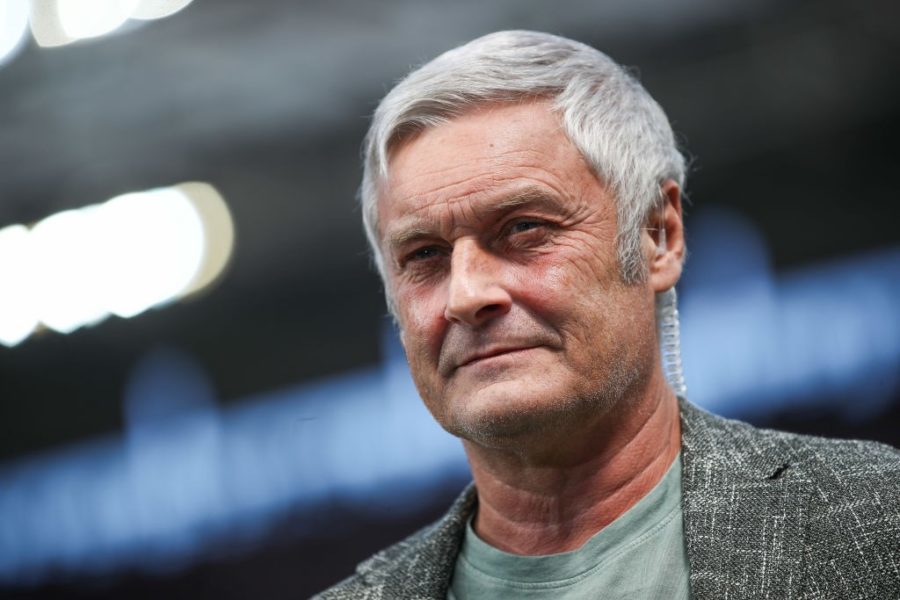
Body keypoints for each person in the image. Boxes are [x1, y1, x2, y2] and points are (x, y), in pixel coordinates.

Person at [317, 30, 899, 599]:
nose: (466, 294)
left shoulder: (874, 522)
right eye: (424, 256)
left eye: (524, 228)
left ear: (658, 235)